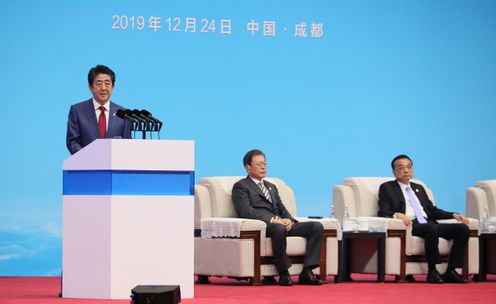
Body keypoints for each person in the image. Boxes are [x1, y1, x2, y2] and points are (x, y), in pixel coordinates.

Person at [231, 149, 325, 286]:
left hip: (280, 223)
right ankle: (283, 272)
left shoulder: (271, 186)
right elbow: (246, 211)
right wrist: (272, 220)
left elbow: (281, 208)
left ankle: (307, 271)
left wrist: (289, 220)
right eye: (259, 164)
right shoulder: (241, 186)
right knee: (278, 228)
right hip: (264, 226)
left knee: (316, 227)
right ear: (248, 167)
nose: (263, 167)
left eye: (265, 163)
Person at [378, 154, 469, 284]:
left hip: (428, 223)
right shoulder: (387, 187)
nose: (406, 170)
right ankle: (432, 271)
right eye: (401, 167)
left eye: (409, 167)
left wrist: (452, 214)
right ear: (394, 171)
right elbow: (383, 210)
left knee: (462, 229)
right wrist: (397, 214)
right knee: (430, 228)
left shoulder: (419, 188)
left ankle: (451, 270)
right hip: (412, 224)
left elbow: (432, 211)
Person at [66, 64, 132, 155]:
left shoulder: (123, 114)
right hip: (87, 165)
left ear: (113, 87)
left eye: (107, 83)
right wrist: (87, 158)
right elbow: (72, 142)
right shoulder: (77, 110)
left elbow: (127, 144)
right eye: (99, 83)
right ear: (90, 87)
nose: (103, 88)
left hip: (115, 166)